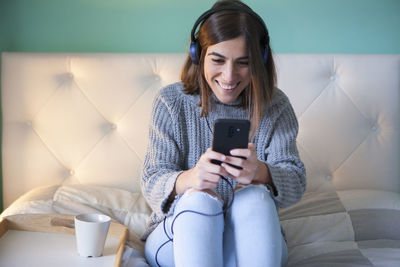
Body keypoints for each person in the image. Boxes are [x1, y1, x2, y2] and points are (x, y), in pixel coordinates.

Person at [140, 0, 306, 266]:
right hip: (180, 237)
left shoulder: (276, 106)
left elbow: (297, 182)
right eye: (217, 60)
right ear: (198, 54)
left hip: (251, 243)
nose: (229, 76)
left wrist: (260, 173)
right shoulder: (170, 102)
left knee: (254, 196)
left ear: (260, 61)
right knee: (201, 200)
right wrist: (192, 178)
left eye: (243, 63)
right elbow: (151, 180)